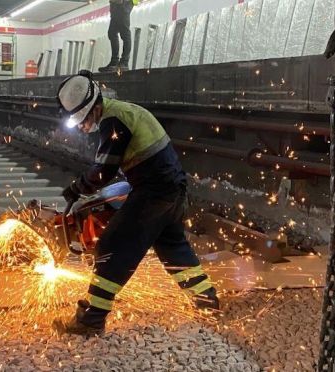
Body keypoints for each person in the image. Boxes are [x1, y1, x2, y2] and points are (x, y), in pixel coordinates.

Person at [55, 70, 219, 336]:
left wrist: (77, 188)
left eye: (83, 121)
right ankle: (207, 300)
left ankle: (91, 320)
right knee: (172, 246)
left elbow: (103, 171)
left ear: (94, 106)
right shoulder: (121, 111)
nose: (83, 126)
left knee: (112, 246)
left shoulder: (113, 121)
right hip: (173, 188)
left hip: (154, 191)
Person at [98, 0, 139, 72]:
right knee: (112, 32)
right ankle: (114, 61)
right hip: (116, 5)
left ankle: (124, 62)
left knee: (125, 33)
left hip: (124, 4)